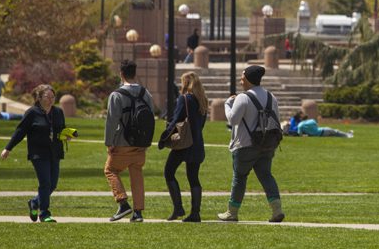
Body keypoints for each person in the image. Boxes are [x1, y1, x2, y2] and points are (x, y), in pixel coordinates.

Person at [218, 65, 285, 222]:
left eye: (242, 76)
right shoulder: (271, 97)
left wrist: (227, 104)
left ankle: (232, 212)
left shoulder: (243, 97)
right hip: (267, 144)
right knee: (266, 176)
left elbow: (233, 120)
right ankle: (277, 210)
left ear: (248, 79)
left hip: (245, 145)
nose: (241, 79)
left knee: (239, 178)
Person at [0, 84, 65, 223]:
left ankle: (35, 203)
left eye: (53, 97)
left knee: (52, 184)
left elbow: (62, 130)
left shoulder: (58, 112)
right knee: (45, 183)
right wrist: (8, 148)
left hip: (55, 152)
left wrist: (68, 135)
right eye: (48, 97)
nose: (51, 99)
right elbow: (20, 131)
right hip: (38, 154)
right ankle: (45, 213)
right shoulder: (32, 113)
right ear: (39, 97)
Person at [103, 59, 154, 223]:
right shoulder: (146, 93)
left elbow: (112, 121)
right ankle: (138, 212)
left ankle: (123, 202)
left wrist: (109, 142)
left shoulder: (116, 95)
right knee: (137, 175)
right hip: (141, 143)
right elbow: (150, 119)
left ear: (121, 74)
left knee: (110, 170)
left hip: (122, 142)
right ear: (135, 73)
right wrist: (146, 142)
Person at [161, 72, 208, 222]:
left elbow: (176, 120)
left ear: (186, 83)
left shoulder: (184, 99)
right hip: (197, 143)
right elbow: (201, 124)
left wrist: (164, 138)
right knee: (193, 178)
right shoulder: (203, 101)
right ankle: (195, 213)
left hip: (184, 144)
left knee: (169, 172)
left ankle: (178, 207)